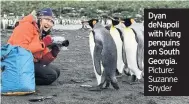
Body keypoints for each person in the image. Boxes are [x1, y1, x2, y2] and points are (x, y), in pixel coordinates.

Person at [7, 8, 60, 85]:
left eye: (52, 21)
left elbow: (42, 60)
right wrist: (43, 44)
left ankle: (22, 78)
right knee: (50, 75)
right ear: (39, 18)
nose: (49, 23)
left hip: (28, 62)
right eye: (47, 19)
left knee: (56, 71)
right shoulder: (25, 26)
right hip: (16, 62)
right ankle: (16, 80)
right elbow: (20, 49)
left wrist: (53, 54)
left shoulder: (41, 32)